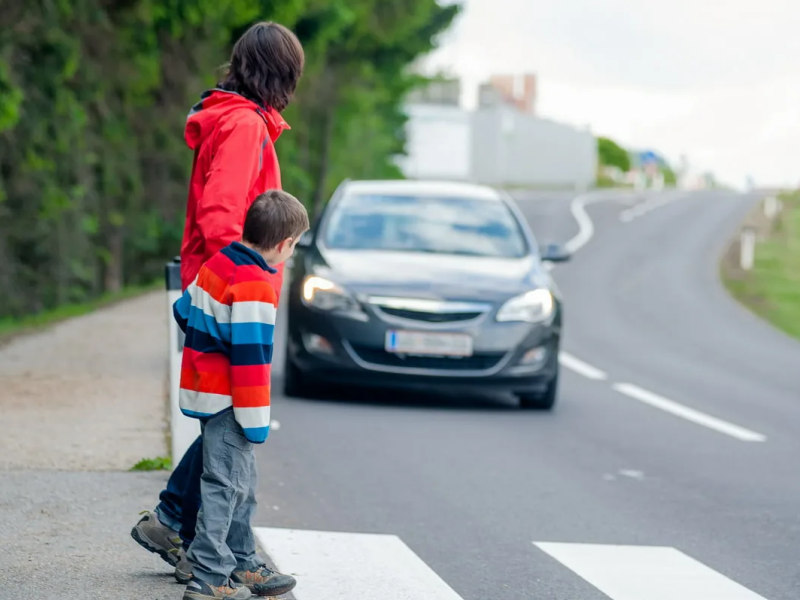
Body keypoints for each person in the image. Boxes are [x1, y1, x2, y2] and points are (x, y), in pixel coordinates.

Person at [130, 20, 304, 591]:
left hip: (215, 286)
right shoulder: (244, 126)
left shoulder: (232, 119)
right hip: (230, 293)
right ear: (281, 75)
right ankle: (220, 557)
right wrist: (243, 281)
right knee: (231, 427)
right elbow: (222, 217)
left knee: (222, 427)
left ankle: (174, 524)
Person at [176, 191, 309, 599]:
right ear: (284, 244)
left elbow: (184, 309)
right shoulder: (255, 285)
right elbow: (251, 363)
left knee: (239, 480)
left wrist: (211, 335)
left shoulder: (219, 262)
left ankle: (242, 561)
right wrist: (255, 422)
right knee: (225, 484)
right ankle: (210, 575)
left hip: (203, 388)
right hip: (231, 400)